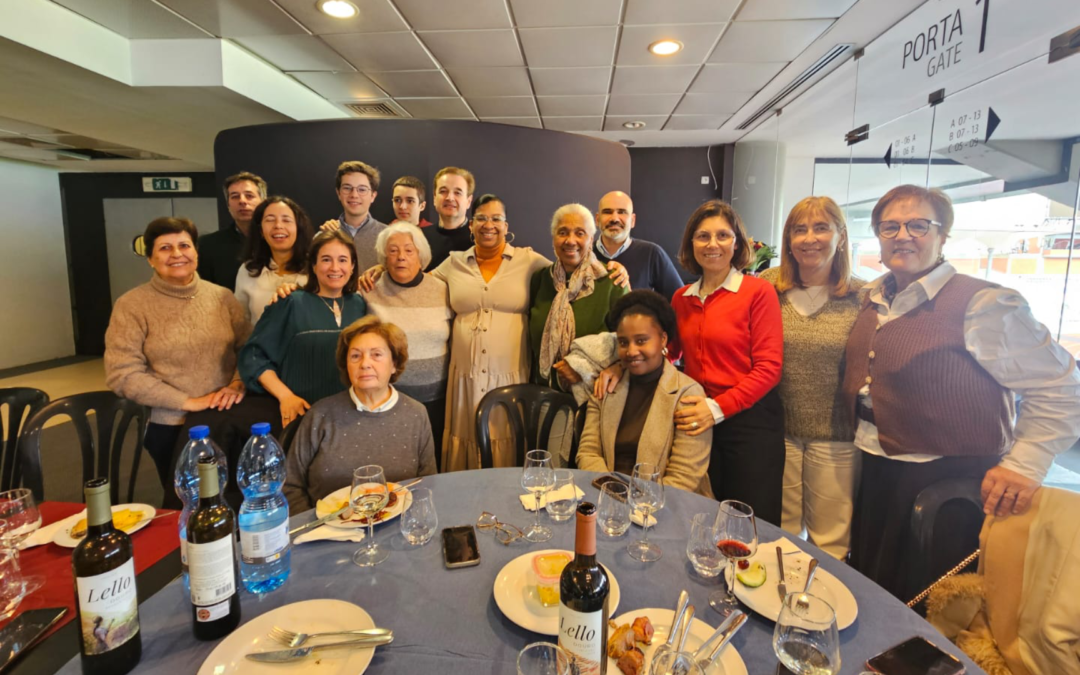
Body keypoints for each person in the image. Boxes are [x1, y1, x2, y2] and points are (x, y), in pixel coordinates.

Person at [841, 185, 1080, 599]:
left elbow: (1061, 384)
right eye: (890, 226)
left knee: (930, 600)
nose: (903, 236)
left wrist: (1025, 465)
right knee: (873, 583)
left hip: (945, 482)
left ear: (942, 236)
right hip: (877, 465)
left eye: (918, 225)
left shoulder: (984, 303)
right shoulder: (875, 298)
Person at [105, 217, 249, 492]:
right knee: (189, 503)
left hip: (227, 415)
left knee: (237, 498)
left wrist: (237, 382)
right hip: (171, 424)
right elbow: (122, 373)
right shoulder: (131, 306)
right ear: (150, 258)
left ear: (195, 252)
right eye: (165, 248)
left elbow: (247, 348)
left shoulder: (222, 297)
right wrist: (188, 402)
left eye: (184, 245)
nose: (177, 254)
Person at [666, 200, 784, 524]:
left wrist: (716, 409)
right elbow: (671, 352)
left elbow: (769, 368)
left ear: (737, 242)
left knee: (750, 524)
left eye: (722, 235)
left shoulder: (758, 292)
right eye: (703, 236)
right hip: (699, 422)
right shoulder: (681, 297)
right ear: (691, 243)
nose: (712, 244)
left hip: (749, 423)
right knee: (702, 516)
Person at [759, 196, 864, 560]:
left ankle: (823, 611)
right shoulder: (767, 287)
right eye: (799, 229)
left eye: (821, 228)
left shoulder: (862, 296)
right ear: (788, 240)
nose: (810, 238)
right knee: (780, 535)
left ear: (841, 236)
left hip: (835, 436)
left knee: (831, 541)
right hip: (778, 432)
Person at [432, 194, 551, 471]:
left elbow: (568, 272)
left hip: (509, 375)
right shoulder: (453, 263)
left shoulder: (529, 260)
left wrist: (613, 269)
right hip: (465, 377)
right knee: (466, 435)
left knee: (505, 434)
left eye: (496, 218)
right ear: (470, 225)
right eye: (482, 218)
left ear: (507, 226)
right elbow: (416, 284)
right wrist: (380, 270)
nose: (489, 224)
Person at [284, 316, 437, 513]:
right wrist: (316, 530)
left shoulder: (416, 414)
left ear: (394, 364)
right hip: (327, 533)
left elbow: (426, 484)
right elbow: (290, 486)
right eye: (355, 356)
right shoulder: (320, 414)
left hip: (397, 531)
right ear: (345, 365)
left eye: (376, 355)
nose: (365, 364)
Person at [576, 291, 712, 496]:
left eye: (641, 341)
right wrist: (612, 495)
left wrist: (640, 507)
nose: (631, 351)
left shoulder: (687, 394)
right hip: (605, 497)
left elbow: (684, 477)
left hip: (666, 507)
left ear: (663, 339)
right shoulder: (606, 385)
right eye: (623, 342)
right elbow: (588, 452)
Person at [240, 230, 367, 428]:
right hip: (303, 415)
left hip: (352, 417)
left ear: (352, 267)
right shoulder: (290, 302)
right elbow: (253, 357)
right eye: (326, 259)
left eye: (343, 260)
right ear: (314, 266)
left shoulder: (360, 304)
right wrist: (286, 397)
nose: (335, 267)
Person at [364, 221, 453, 465]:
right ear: (384, 257)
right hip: (388, 401)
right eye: (393, 251)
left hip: (438, 401)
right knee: (394, 466)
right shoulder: (369, 290)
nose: (401, 257)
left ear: (421, 255)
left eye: (408, 250)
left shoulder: (443, 289)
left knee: (433, 467)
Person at [529, 204, 627, 392]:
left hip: (594, 396)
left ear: (591, 239)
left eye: (580, 233)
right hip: (542, 395)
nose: (570, 240)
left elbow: (626, 341)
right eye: (562, 232)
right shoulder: (540, 279)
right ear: (553, 238)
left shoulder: (612, 282)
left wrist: (582, 368)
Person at [234, 196, 312, 325]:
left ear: (298, 228)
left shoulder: (316, 268)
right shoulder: (248, 270)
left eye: (286, 220)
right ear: (261, 231)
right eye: (270, 220)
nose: (278, 226)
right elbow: (242, 322)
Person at [593, 191, 684, 301]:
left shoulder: (652, 254)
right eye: (607, 212)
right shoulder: (584, 255)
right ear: (597, 220)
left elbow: (680, 301)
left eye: (622, 212)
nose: (614, 219)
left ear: (632, 220)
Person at [198, 171, 266, 291]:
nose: (242, 201)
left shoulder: (279, 241)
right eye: (235, 196)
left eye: (249, 196)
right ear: (228, 204)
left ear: (263, 201)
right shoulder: (208, 245)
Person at [324, 161, 386, 271]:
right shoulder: (326, 234)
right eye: (347, 188)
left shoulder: (388, 235)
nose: (354, 195)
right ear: (338, 193)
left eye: (362, 189)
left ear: (373, 196)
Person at [423, 167, 476, 269]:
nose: (449, 198)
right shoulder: (420, 238)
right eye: (443, 191)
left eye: (457, 193)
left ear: (468, 201)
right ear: (434, 197)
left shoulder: (478, 240)